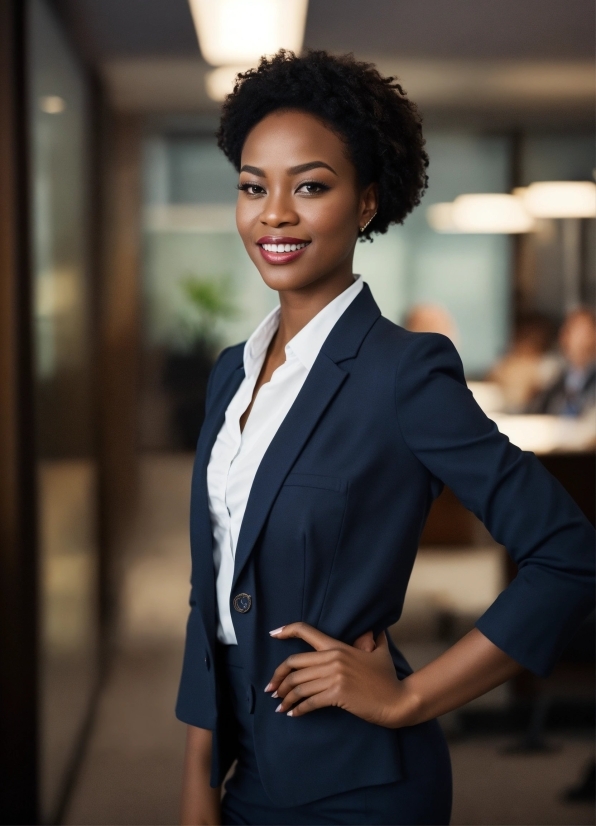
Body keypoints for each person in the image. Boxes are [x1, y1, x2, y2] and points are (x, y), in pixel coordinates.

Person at [176, 51, 595, 826]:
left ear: (366, 203)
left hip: (357, 787)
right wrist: (198, 784)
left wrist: (410, 696)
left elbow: (568, 555)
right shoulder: (230, 374)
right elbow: (214, 594)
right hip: (242, 775)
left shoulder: (404, 374)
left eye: (310, 185)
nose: (274, 213)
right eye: (252, 186)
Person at [529, 308, 596, 417]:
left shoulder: (592, 381)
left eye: (576, 330)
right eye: (567, 330)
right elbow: (535, 411)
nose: (566, 336)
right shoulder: (557, 379)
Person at [487, 313, 558, 413]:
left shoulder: (547, 365)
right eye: (526, 333)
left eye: (534, 334)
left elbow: (535, 395)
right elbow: (491, 379)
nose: (529, 338)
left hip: (529, 414)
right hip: (501, 411)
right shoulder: (506, 361)